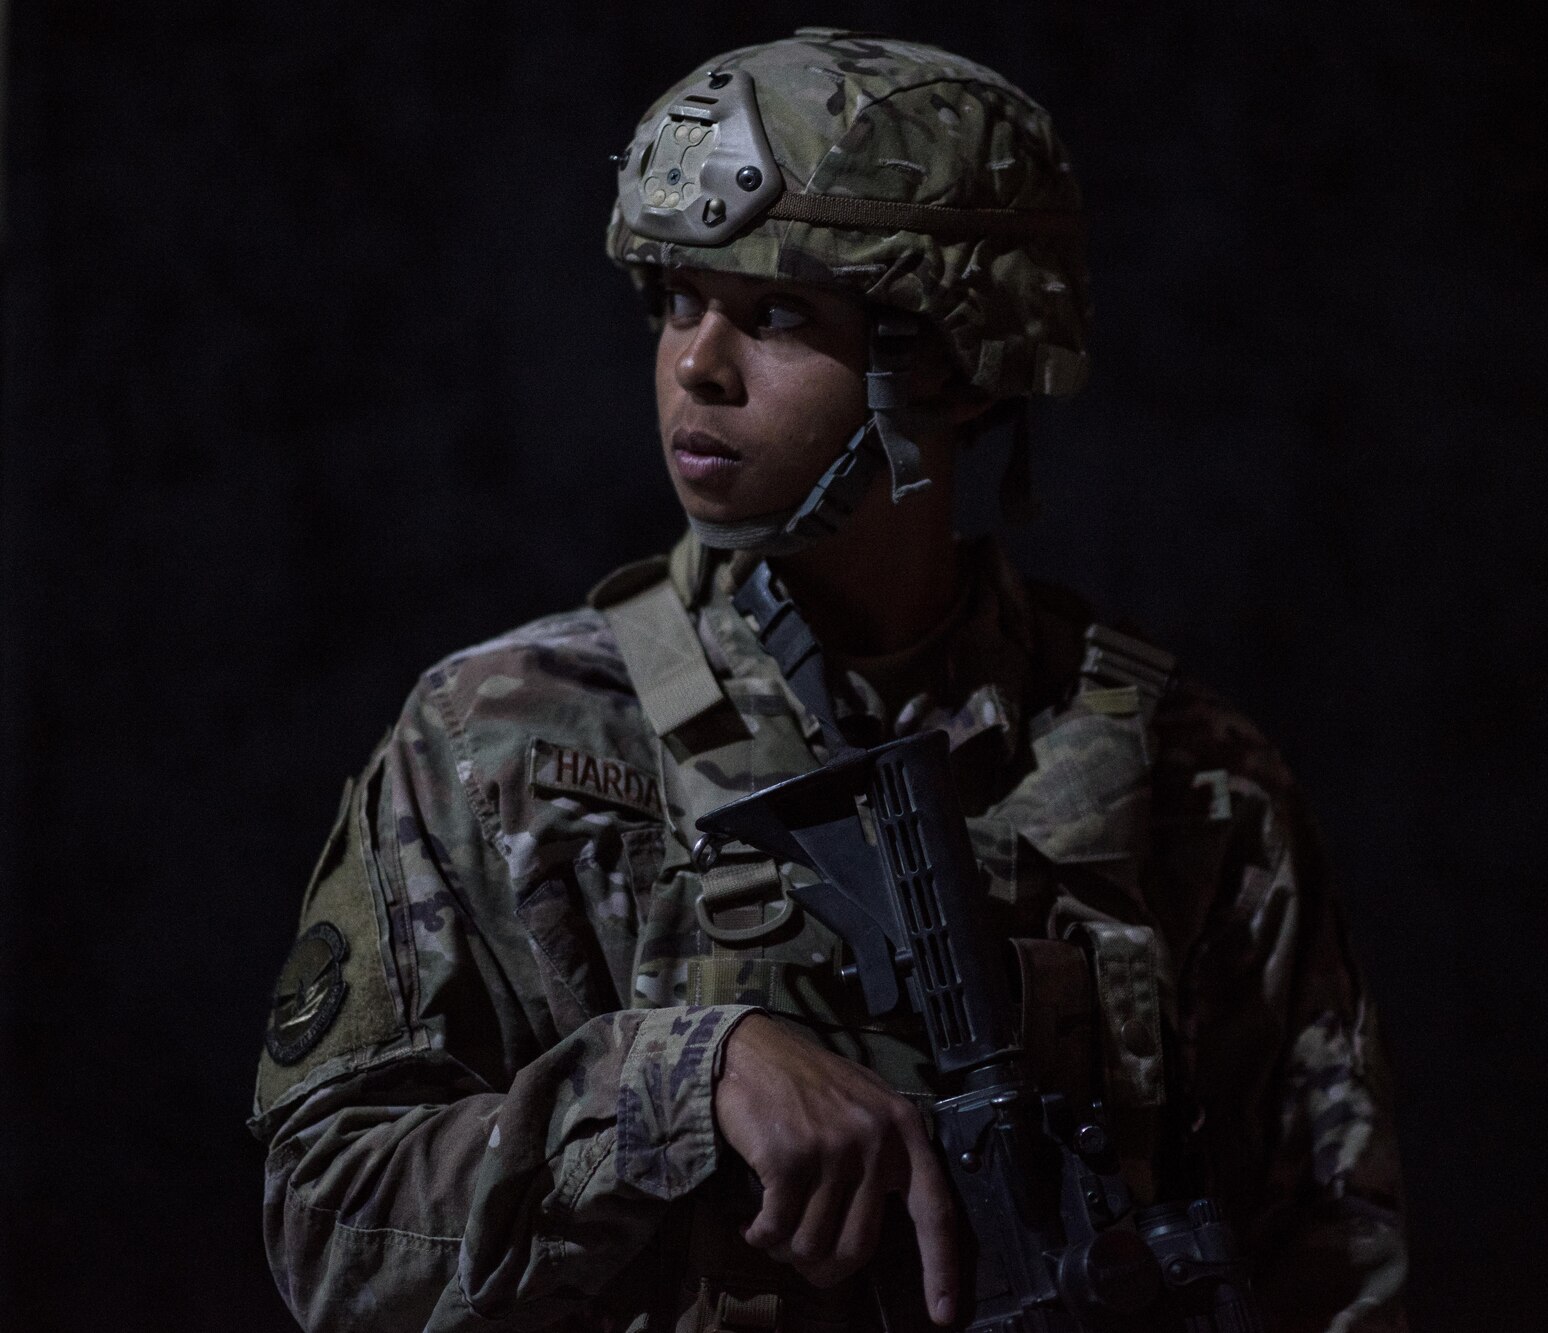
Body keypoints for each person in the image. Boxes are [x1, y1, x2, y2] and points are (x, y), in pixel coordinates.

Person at [249, 28, 1406, 1333]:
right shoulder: (509, 738)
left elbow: (1332, 1259)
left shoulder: (1187, 778)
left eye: (779, 313)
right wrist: (671, 1083)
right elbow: (331, 1228)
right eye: (679, 300)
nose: (698, 365)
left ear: (960, 363)